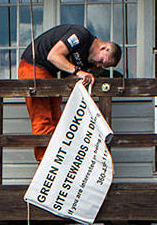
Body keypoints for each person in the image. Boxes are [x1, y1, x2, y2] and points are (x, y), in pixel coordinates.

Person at [18, 24, 121, 157]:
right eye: (101, 61)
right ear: (104, 48)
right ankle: (44, 161)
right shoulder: (80, 35)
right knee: (42, 117)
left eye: (102, 66)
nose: (98, 65)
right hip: (34, 66)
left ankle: (56, 158)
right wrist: (78, 72)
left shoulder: (88, 61)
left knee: (57, 119)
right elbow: (53, 56)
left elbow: (70, 74)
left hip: (51, 74)